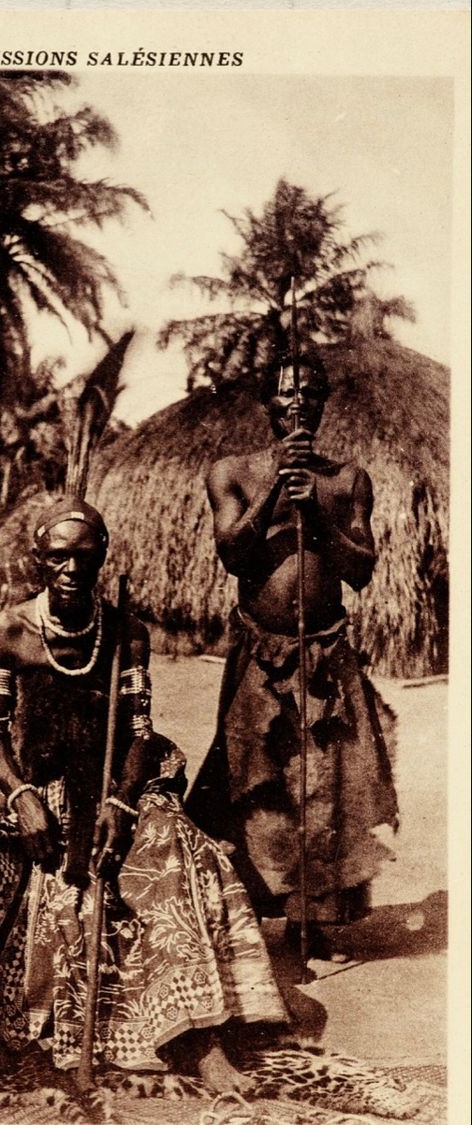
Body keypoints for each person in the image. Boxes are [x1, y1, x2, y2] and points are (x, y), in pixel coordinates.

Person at [0, 498, 287, 1095]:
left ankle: (203, 1044)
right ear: (39, 560)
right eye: (57, 557)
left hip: (119, 781)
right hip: (29, 780)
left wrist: (121, 804)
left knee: (184, 854)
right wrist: (19, 797)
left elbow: (140, 734)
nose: (70, 568)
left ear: (102, 557)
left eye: (83, 557)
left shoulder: (125, 632)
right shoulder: (7, 631)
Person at [185, 353, 398, 960]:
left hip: (326, 649)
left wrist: (315, 513)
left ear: (324, 403)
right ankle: (256, 910)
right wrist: (278, 484)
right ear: (268, 405)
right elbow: (233, 552)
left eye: (310, 393)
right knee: (257, 775)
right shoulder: (233, 471)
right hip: (260, 647)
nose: (298, 402)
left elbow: (361, 568)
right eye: (285, 394)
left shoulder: (348, 479)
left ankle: (315, 918)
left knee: (325, 778)